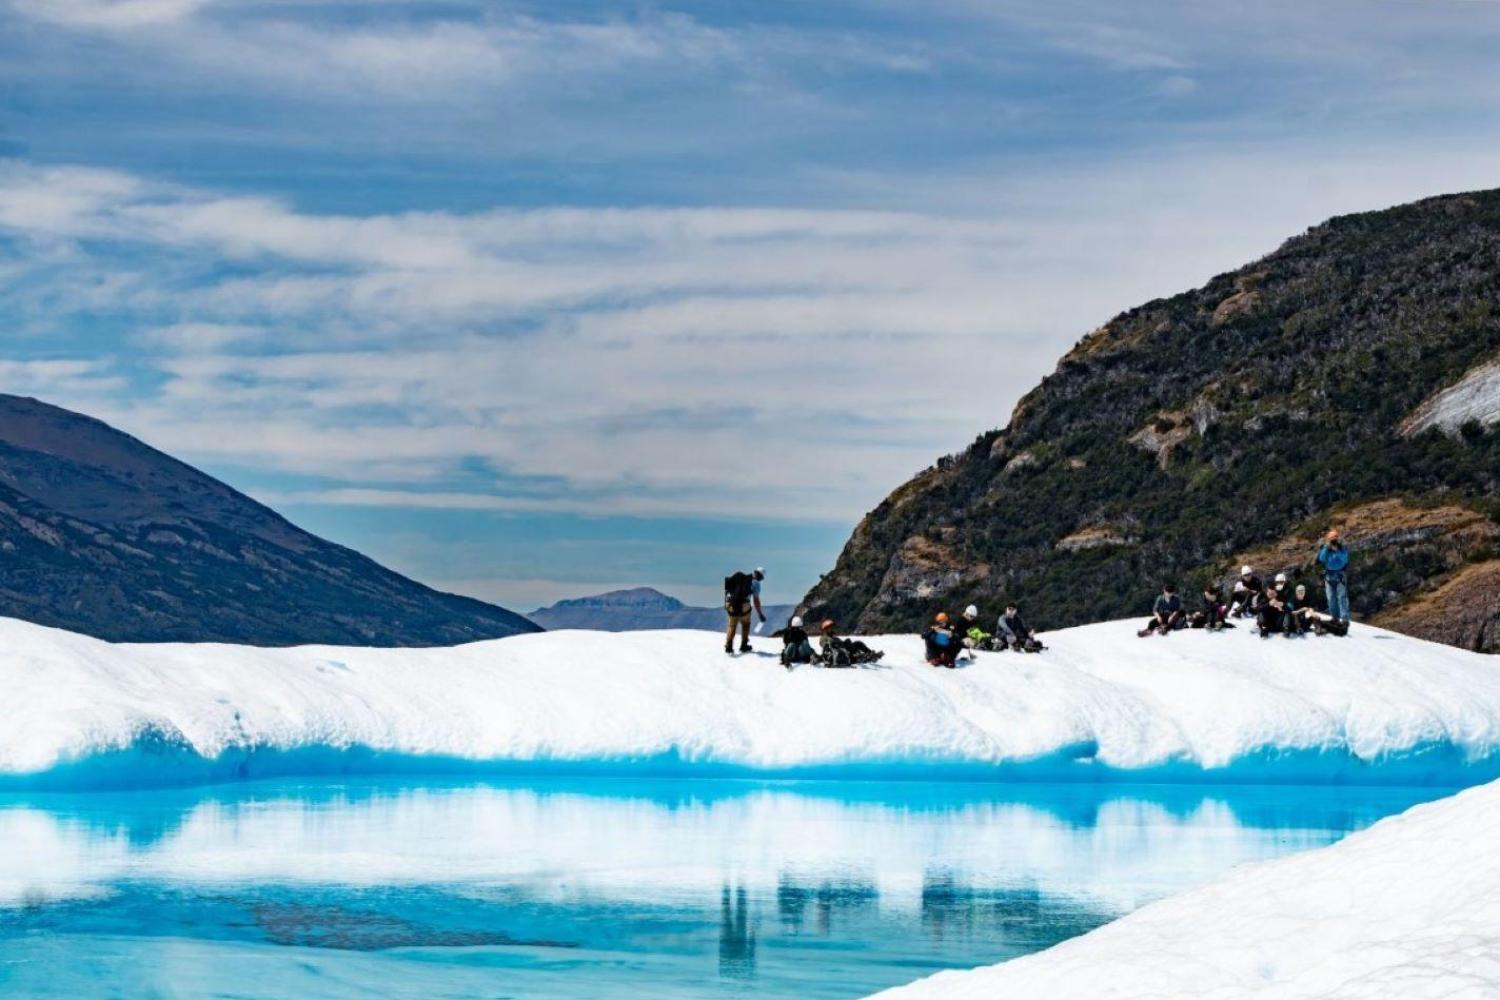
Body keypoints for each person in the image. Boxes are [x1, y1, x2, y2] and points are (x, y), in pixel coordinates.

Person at [723, 567, 766, 654]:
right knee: (746, 624)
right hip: (744, 606)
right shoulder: (756, 584)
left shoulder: (741, 578)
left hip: (731, 604)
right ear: (761, 577)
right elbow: (756, 601)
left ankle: (729, 645)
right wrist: (760, 614)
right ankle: (744, 645)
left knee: (732, 625)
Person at [1317, 530, 1351, 624]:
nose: (1334, 540)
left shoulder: (1342, 548)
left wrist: (1337, 550)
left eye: (1335, 538)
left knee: (1342, 597)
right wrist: (1327, 548)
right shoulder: (1326, 548)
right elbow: (1321, 559)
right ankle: (1334, 617)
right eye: (1332, 538)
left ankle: (1344, 619)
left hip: (1340, 575)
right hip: (1329, 575)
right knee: (1331, 598)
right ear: (1328, 539)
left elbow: (1345, 559)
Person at [818, 619, 883, 666]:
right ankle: (857, 656)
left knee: (858, 643)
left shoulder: (835, 637)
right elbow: (822, 644)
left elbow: (841, 643)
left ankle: (869, 654)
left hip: (845, 652)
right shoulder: (824, 637)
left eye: (832, 627)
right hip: (840, 655)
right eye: (830, 628)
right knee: (847, 641)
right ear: (826, 629)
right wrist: (829, 643)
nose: (832, 629)